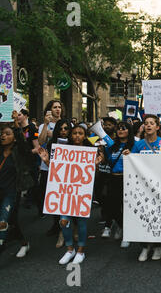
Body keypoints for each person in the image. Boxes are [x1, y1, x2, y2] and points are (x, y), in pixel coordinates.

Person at [38, 125, 103, 265]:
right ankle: (69, 249)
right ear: (70, 135)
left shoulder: (90, 151)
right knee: (63, 221)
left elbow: (94, 175)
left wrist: (96, 165)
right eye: (74, 133)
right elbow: (57, 171)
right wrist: (46, 161)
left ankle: (80, 250)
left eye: (80, 133)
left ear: (85, 136)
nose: (77, 136)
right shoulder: (62, 151)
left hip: (82, 192)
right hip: (66, 192)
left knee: (81, 221)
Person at [131, 115, 161, 262]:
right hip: (143, 186)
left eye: (151, 123)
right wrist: (128, 155)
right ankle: (145, 246)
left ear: (157, 127)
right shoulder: (139, 144)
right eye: (146, 123)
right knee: (145, 215)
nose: (148, 126)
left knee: (159, 216)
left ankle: (158, 246)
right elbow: (133, 162)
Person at [0, 113, 35, 257]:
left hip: (11, 193)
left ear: (14, 138)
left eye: (7, 134)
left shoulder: (19, 151)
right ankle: (24, 243)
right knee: (12, 221)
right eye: (2, 134)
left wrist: (16, 125)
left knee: (2, 222)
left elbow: (24, 144)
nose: (3, 136)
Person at [101, 122, 135, 248]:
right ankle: (122, 227)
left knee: (126, 207)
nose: (120, 130)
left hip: (127, 179)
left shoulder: (134, 145)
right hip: (113, 179)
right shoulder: (112, 146)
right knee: (113, 207)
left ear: (129, 131)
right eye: (118, 128)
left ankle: (127, 234)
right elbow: (108, 161)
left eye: (123, 128)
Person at [41, 119, 72, 247]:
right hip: (56, 178)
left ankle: (68, 230)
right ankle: (60, 230)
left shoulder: (74, 142)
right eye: (61, 129)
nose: (63, 131)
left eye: (66, 128)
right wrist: (47, 161)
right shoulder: (51, 144)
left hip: (71, 179)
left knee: (70, 205)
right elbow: (51, 165)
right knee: (57, 205)